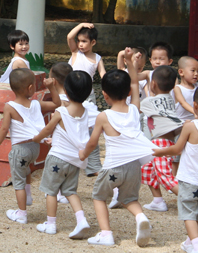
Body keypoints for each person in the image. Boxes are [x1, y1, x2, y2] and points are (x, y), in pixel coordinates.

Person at [79, 50, 156, 247]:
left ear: (104, 95)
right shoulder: (135, 109)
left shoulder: (104, 116)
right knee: (129, 198)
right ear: (129, 93)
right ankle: (140, 217)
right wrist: (130, 62)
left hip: (113, 167)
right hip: (133, 167)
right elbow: (134, 83)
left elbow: (93, 142)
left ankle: (106, 234)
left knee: (98, 197)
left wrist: (83, 154)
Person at [152, 84, 198, 253]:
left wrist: (160, 152)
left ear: (195, 106)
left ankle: (197, 246)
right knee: (197, 214)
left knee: (189, 213)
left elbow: (177, 149)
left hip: (190, 180)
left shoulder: (191, 126)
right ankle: (189, 242)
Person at [0, 69, 61, 224]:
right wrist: (51, 88)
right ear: (30, 88)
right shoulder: (36, 104)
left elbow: (4, 129)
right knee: (26, 169)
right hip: (34, 149)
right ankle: (27, 196)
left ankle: (21, 214)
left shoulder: (10, 107)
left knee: (18, 181)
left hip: (20, 150)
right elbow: (57, 104)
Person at [31, 70, 93, 239]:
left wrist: (37, 138)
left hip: (57, 158)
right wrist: (56, 139)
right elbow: (72, 133)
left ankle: (51, 224)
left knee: (50, 191)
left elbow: (48, 129)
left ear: (66, 90)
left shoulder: (61, 112)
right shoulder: (85, 112)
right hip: (73, 161)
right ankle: (81, 220)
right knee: (70, 191)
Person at [140, 65, 182, 213]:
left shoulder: (149, 102)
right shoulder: (169, 99)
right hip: (165, 141)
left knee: (165, 176)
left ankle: (189, 199)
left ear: (153, 84)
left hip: (159, 142)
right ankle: (157, 201)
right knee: (148, 169)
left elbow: (136, 106)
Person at [67, 23, 106, 177]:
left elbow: (103, 74)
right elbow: (69, 36)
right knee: (70, 126)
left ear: (93, 42)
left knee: (91, 130)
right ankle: (70, 162)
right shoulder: (75, 53)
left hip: (88, 97)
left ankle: (93, 166)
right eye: (79, 41)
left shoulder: (97, 58)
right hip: (70, 95)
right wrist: (82, 24)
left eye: (84, 41)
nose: (80, 44)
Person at [174, 56, 198, 122]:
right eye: (193, 70)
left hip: (195, 120)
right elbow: (183, 103)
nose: (196, 74)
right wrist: (195, 112)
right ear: (181, 72)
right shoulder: (178, 88)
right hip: (181, 121)